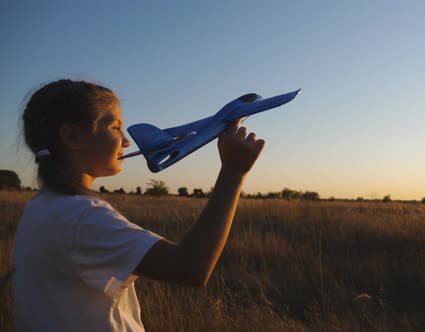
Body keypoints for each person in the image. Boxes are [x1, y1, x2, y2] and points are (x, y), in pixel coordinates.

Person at [13, 79, 265, 331]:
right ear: (72, 136)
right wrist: (233, 172)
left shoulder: (41, 208)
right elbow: (191, 267)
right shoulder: (81, 216)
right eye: (115, 127)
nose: (126, 141)